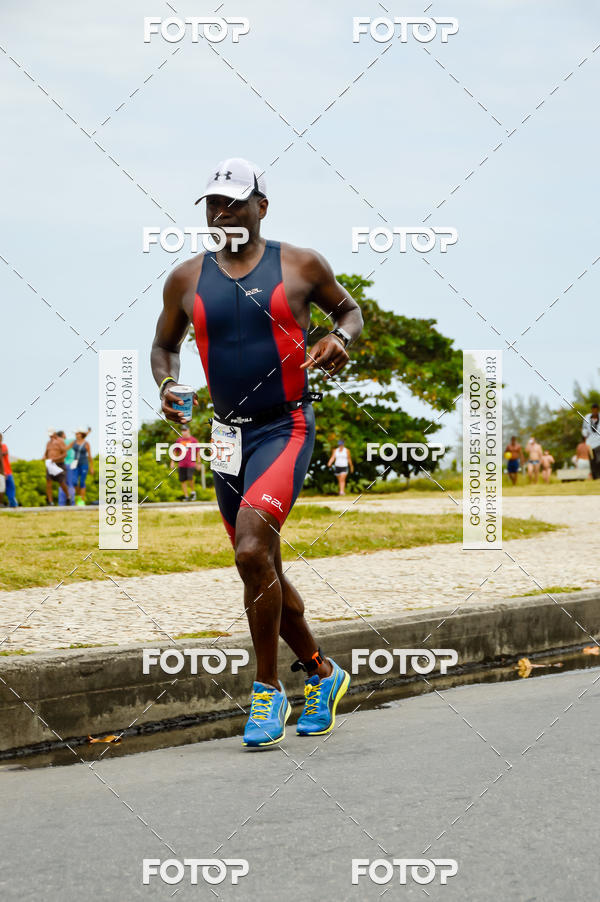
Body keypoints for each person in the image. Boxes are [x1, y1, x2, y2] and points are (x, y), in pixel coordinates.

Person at [152, 157, 363, 749]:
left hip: (284, 427)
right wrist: (167, 385)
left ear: (260, 207)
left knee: (250, 548)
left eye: (233, 204)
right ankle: (323, 674)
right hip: (226, 437)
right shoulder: (185, 279)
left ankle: (266, 691)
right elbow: (163, 346)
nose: (221, 214)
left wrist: (339, 337)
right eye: (213, 205)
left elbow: (350, 310)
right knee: (261, 564)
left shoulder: (299, 265)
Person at [66, 429, 94, 505]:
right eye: (76, 434)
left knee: (82, 482)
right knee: (74, 482)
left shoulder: (86, 443)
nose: (77, 435)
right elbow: (66, 448)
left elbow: (90, 456)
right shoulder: (74, 442)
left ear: (81, 434)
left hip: (84, 464)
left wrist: (91, 467)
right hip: (75, 464)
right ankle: (78, 497)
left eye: (78, 434)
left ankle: (82, 500)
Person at [44, 429, 71, 505]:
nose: (51, 437)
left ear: (55, 434)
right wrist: (44, 457)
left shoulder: (60, 442)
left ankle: (68, 496)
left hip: (59, 465)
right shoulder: (48, 443)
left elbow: (65, 454)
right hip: (50, 465)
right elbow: (46, 453)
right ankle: (50, 501)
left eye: (52, 435)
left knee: (62, 483)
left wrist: (55, 459)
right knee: (48, 482)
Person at [177, 425, 200, 500]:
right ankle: (186, 496)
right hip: (181, 463)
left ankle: (193, 492)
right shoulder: (179, 440)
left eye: (185, 430)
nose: (184, 432)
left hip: (191, 463)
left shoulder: (194, 440)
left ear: (188, 430)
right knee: (183, 480)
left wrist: (198, 463)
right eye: (182, 430)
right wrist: (172, 462)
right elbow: (175, 451)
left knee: (190, 477)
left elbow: (197, 452)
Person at [582, 402, 600, 480]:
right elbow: (584, 428)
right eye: (593, 410)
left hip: (599, 442)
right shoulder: (587, 417)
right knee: (592, 461)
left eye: (596, 410)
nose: (594, 411)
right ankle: (595, 477)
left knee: (598, 460)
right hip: (590, 443)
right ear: (592, 410)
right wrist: (585, 435)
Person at [0, 434, 18, 507]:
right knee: (2, 489)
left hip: (7, 472)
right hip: (1, 473)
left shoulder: (3, 446)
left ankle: (12, 503)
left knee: (11, 487)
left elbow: (4, 453)